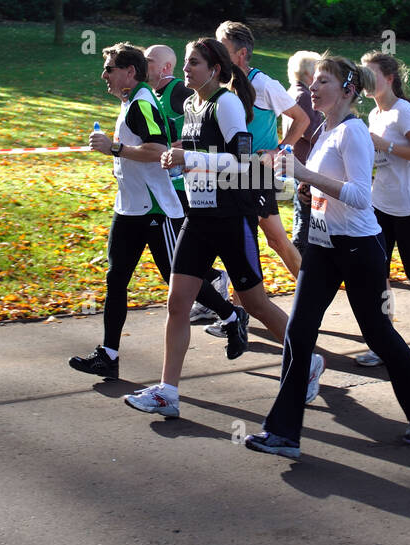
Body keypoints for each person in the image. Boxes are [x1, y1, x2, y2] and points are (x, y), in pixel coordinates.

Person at [245, 56, 410, 458]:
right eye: (314, 81)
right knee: (298, 333)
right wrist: (308, 191)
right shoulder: (326, 128)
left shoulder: (354, 132)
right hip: (323, 246)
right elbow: (329, 186)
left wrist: (305, 176)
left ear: (348, 90)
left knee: (377, 333)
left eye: (324, 81)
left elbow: (359, 195)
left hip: (358, 248)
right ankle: (283, 432)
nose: (314, 87)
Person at [124, 37, 323, 418]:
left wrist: (191, 156)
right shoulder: (190, 103)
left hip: (232, 218)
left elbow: (242, 162)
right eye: (185, 62)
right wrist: (179, 158)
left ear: (215, 69)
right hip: (198, 217)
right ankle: (168, 392)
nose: (185, 69)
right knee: (177, 302)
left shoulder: (228, 102)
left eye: (193, 63)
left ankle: (308, 360)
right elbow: (202, 153)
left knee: (256, 303)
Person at [69, 43, 238, 380]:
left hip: (156, 210)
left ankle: (231, 316)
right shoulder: (131, 101)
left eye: (110, 69)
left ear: (129, 72)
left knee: (176, 281)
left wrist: (114, 148)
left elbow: (158, 149)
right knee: (116, 278)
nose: (104, 75)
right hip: (129, 209)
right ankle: (109, 354)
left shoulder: (141, 104)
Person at [350, 52, 410, 367]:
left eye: (370, 73)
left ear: (389, 78)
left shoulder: (403, 112)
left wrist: (383, 145)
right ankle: (382, 341)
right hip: (379, 205)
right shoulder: (375, 114)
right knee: (378, 272)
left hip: (409, 207)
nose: (364, 79)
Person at [215, 21, 308, 279]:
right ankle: (241, 307)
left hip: (256, 173)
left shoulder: (264, 84)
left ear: (241, 54)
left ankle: (308, 293)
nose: (216, 55)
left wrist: (278, 150)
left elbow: (302, 119)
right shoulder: (221, 84)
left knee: (275, 240)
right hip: (228, 171)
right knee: (238, 239)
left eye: (222, 49)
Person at [146, 43, 231, 325]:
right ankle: (218, 298)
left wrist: (180, 151)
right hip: (173, 186)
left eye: (149, 61)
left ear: (165, 67)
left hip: (189, 188)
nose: (143, 66)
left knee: (175, 259)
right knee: (174, 259)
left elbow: (209, 140)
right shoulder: (155, 96)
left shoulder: (180, 93)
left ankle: (222, 298)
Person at [286, 50, 325, 255]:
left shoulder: (292, 91)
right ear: (309, 73)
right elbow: (313, 132)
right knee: (306, 216)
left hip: (298, 163)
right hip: (306, 164)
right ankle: (300, 260)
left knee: (304, 213)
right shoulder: (304, 96)